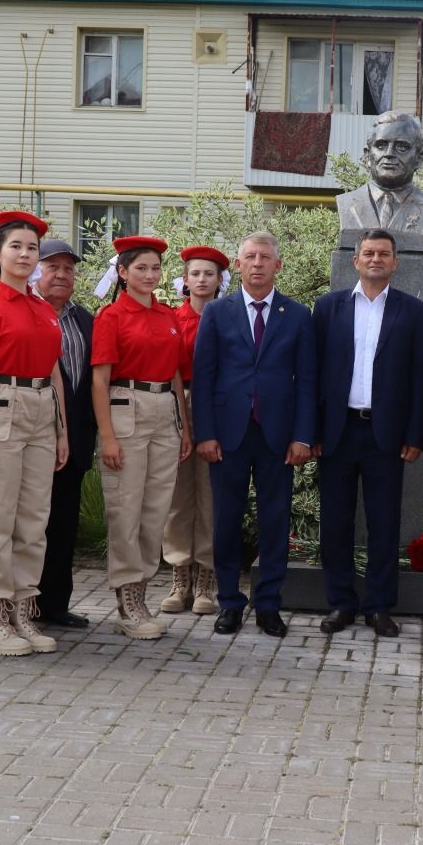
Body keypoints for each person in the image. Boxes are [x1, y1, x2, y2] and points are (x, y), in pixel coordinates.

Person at [192, 231, 317, 638]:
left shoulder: (297, 315)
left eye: (266, 257)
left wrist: (302, 435)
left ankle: (268, 605)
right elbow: (204, 376)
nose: (258, 263)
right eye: (251, 257)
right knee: (226, 521)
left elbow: (307, 381)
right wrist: (205, 433)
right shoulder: (216, 312)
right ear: (239, 264)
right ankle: (229, 602)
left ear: (278, 266)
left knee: (275, 520)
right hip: (227, 433)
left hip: (277, 435)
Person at [0, 210, 70, 657]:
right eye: (16, 247)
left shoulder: (44, 308)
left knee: (33, 521)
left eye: (32, 249)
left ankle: (26, 611)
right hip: (1, 407)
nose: (26, 255)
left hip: (43, 410)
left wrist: (62, 431)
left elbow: (55, 372)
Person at [313, 228, 423, 638]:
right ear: (355, 261)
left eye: (384, 253)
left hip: (387, 436)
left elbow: (420, 378)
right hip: (338, 431)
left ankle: (379, 606)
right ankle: (341, 603)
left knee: (384, 524)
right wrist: (313, 432)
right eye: (368, 253)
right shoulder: (327, 308)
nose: (376, 259)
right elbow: (313, 375)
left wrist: (415, 434)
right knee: (336, 523)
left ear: (396, 263)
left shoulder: (412, 311)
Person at [91, 235, 191, 640]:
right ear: (122, 272)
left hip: (165, 412)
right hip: (125, 408)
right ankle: (127, 600)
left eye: (155, 268)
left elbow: (177, 374)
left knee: (155, 511)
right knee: (126, 509)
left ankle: (142, 591)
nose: (150, 275)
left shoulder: (168, 316)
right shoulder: (111, 317)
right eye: (140, 268)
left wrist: (184, 426)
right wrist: (108, 437)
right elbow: (99, 380)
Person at [160, 245, 229, 617]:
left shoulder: (227, 318)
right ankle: (179, 576)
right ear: (184, 280)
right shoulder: (171, 318)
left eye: (209, 274)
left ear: (220, 281)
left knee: (210, 495)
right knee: (177, 495)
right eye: (195, 274)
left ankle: (206, 578)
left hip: (215, 406)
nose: (202, 280)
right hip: (177, 402)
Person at [34, 238, 95, 629]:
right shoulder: (23, 312)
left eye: (68, 268)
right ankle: (24, 603)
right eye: (52, 266)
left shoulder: (86, 320)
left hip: (75, 440)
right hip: (31, 435)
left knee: (63, 523)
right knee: (29, 525)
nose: (61, 274)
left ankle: (55, 603)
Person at [333, 112, 423, 253]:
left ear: (419, 158)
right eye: (381, 145)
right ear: (367, 155)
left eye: (401, 147)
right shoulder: (347, 203)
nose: (389, 153)